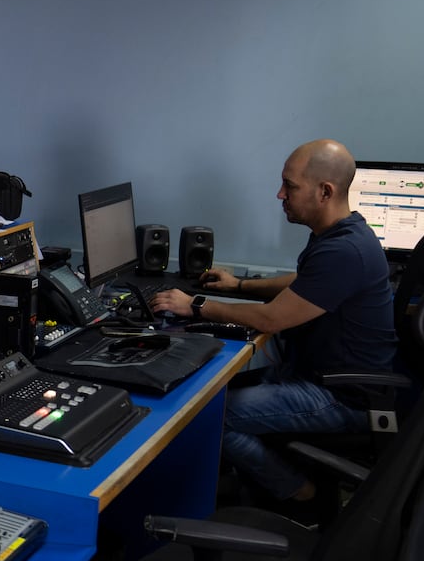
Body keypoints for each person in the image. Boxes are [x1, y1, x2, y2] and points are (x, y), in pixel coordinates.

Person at [148, 138, 396, 514]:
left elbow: (271, 319)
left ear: (325, 191)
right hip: (315, 372)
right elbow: (304, 282)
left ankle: (301, 493)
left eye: (291, 186)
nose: (280, 194)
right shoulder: (343, 234)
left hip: (340, 395)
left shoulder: (345, 251)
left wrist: (195, 305)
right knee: (212, 389)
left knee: (209, 413)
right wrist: (240, 287)